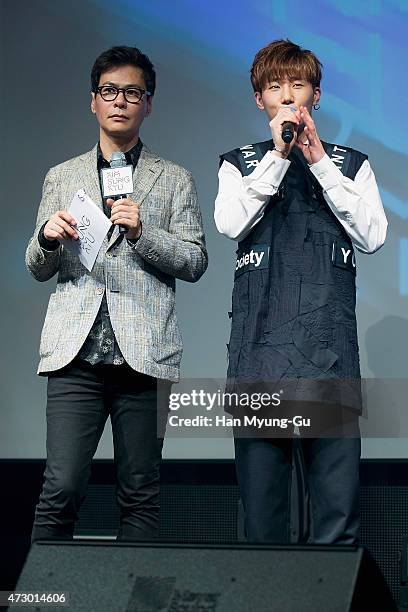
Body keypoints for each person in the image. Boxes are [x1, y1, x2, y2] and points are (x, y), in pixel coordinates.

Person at [26, 46, 207, 542]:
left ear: (148, 104)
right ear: (93, 102)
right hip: (75, 357)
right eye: (110, 91)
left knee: (140, 492)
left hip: (143, 358)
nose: (120, 101)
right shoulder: (61, 176)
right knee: (60, 487)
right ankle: (46, 598)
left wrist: (142, 234)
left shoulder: (173, 179)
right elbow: (36, 266)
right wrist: (46, 237)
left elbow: (195, 261)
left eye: (133, 92)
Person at [214, 39, 387, 544]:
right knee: (264, 521)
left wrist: (318, 163)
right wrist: (277, 157)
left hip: (329, 357)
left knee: (336, 519)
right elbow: (230, 223)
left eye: (298, 86)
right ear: (259, 100)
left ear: (316, 95)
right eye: (275, 87)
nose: (288, 97)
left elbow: (373, 236)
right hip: (259, 356)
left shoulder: (350, 164)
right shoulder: (239, 163)